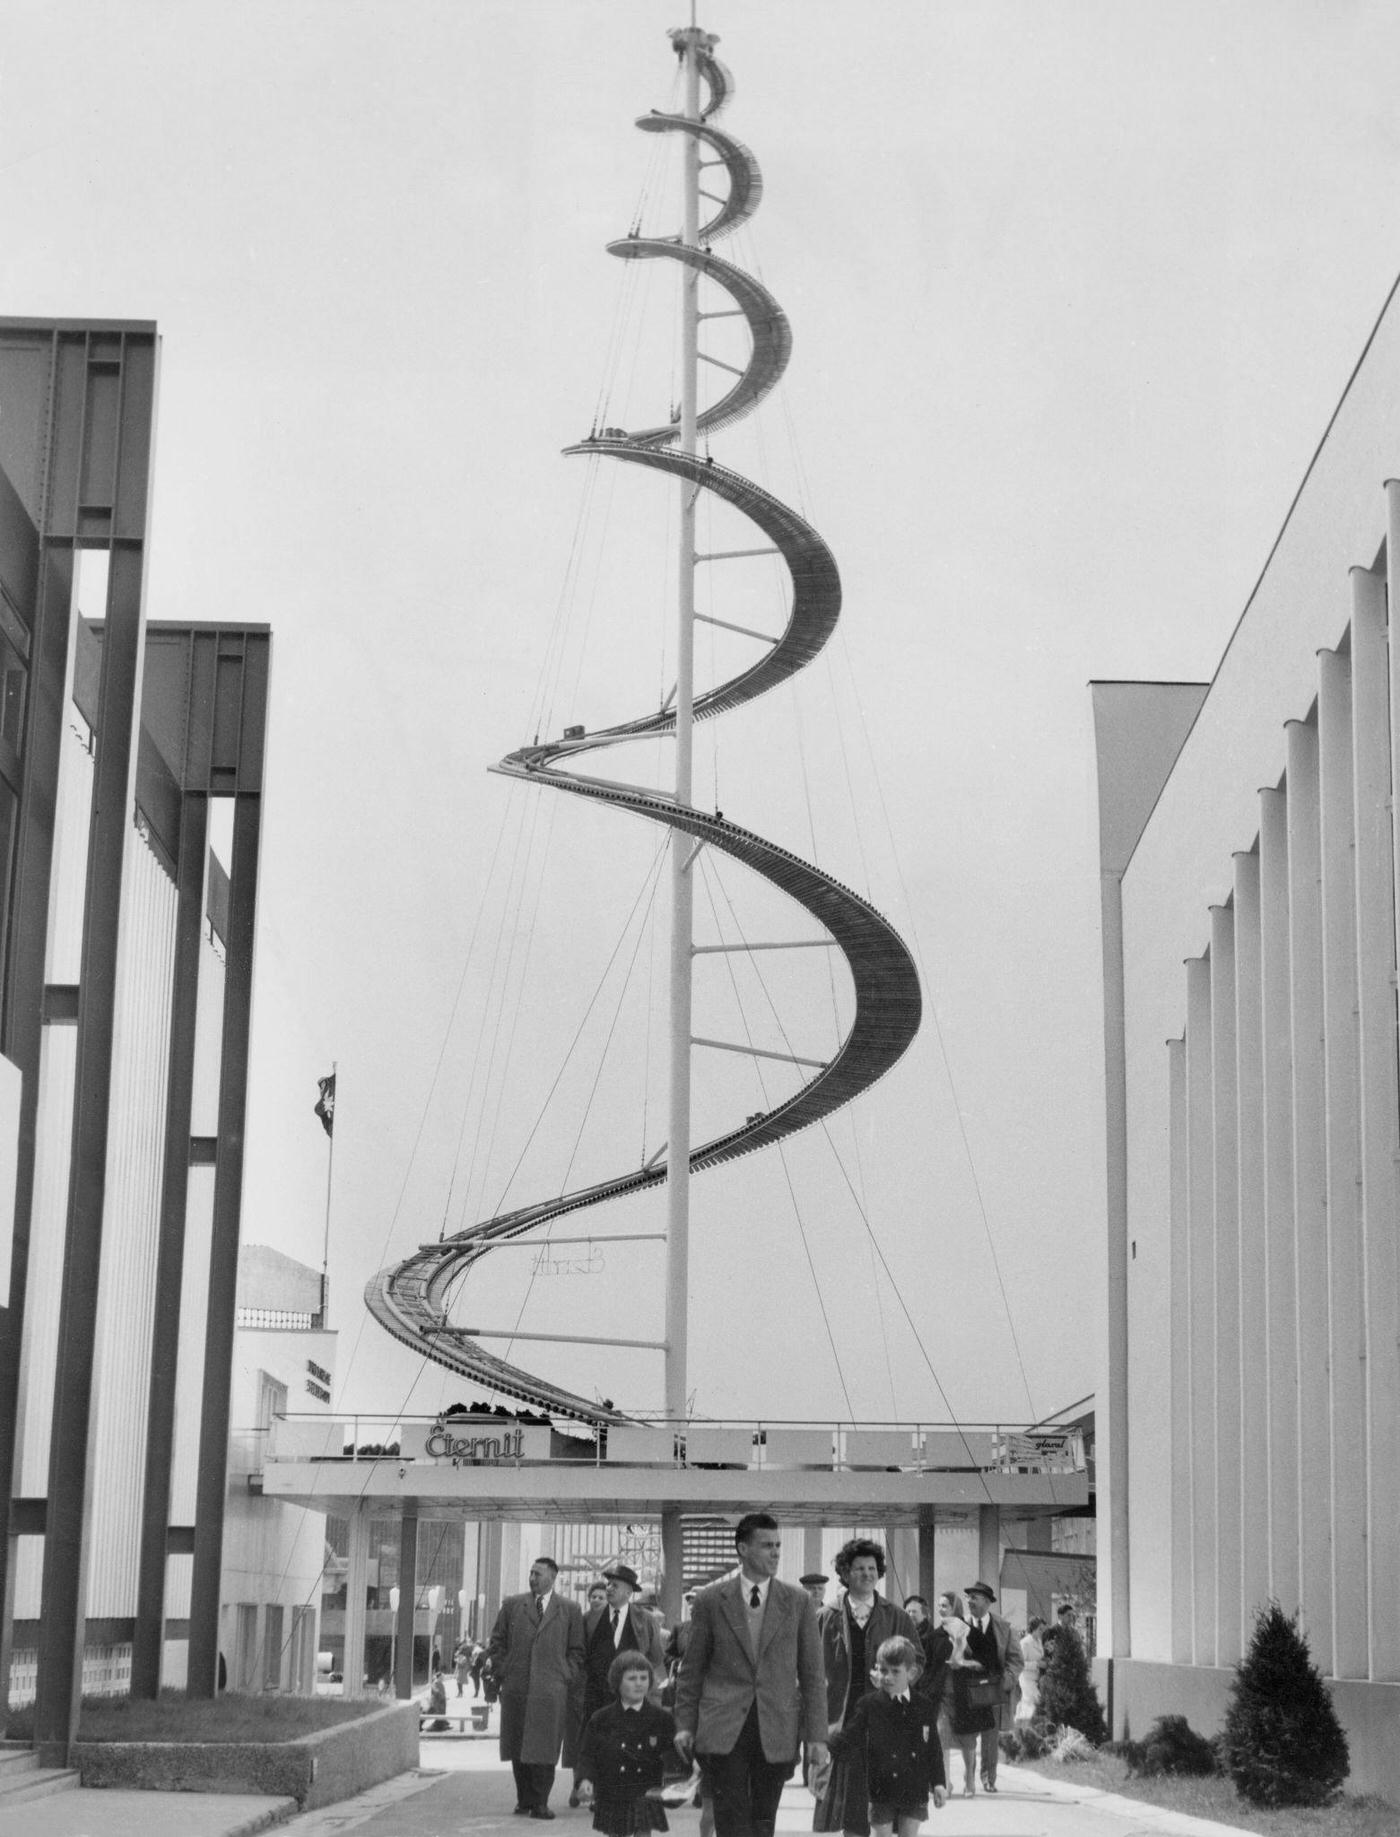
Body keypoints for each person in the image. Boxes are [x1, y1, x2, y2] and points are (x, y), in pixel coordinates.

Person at [674, 1512, 828, 1837]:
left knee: (763, 1821)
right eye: (766, 1545)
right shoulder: (711, 1601)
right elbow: (691, 1672)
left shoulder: (798, 1602)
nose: (775, 1553)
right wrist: (685, 1726)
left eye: (778, 1546)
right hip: (723, 1728)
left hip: (776, 1727)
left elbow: (813, 1676)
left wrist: (816, 1736)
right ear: (743, 1549)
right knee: (731, 1820)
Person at [815, 1538, 917, 1837]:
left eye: (872, 1568)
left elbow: (917, 1661)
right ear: (845, 1573)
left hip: (887, 1721)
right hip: (843, 1723)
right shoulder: (825, 1616)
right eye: (859, 1568)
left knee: (887, 1804)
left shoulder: (895, 1615)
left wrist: (894, 1680)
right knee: (852, 1807)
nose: (867, 1574)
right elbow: (807, 1670)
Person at [487, 1555, 587, 1819]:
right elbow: (496, 1642)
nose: (532, 1578)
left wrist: (565, 1674)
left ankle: (540, 1802)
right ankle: (525, 1800)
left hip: (550, 1690)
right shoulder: (512, 1605)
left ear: (553, 1577)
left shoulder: (569, 1609)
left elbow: (577, 1650)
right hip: (517, 1687)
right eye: (531, 1573)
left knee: (545, 1748)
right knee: (518, 1746)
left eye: (538, 1574)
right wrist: (504, 1669)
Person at [568, 1564, 667, 1807]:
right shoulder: (590, 1619)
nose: (609, 1588)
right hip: (595, 1694)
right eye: (608, 1584)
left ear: (628, 1592)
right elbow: (580, 1654)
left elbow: (655, 1658)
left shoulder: (644, 1620)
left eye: (615, 1585)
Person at [828, 1636, 947, 1836]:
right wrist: (824, 1747)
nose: (888, 1677)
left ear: (912, 1673)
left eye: (895, 1671)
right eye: (883, 1670)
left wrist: (939, 1783)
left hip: (914, 1788)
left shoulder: (923, 1706)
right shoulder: (869, 1705)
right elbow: (850, 1737)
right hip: (881, 1788)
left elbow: (933, 1748)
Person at [577, 1650, 681, 1836]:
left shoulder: (661, 1719)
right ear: (617, 1682)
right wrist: (585, 1779)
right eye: (632, 1678)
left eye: (644, 1677)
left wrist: (683, 1778)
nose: (639, 1683)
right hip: (612, 1791)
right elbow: (588, 1754)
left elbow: (674, 1755)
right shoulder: (601, 1719)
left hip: (646, 1791)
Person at [960, 1582, 1022, 1795]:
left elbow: (1016, 1659)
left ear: (987, 1602)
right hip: (967, 1689)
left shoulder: (1003, 1627)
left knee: (990, 1737)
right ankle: (969, 1780)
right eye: (968, 1598)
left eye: (974, 1598)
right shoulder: (960, 1625)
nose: (969, 1601)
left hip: (994, 1690)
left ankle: (988, 1779)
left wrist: (1009, 1679)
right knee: (968, 1737)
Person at [1016, 1618, 1045, 1726]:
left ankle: (1023, 1729)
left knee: (1029, 1705)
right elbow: (1020, 1663)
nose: (1042, 1632)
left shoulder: (1038, 1641)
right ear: (1033, 1629)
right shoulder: (1025, 1643)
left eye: (1043, 1630)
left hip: (1036, 1678)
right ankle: (1022, 1728)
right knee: (1031, 1704)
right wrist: (1037, 1664)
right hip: (1027, 1679)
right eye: (1040, 1629)